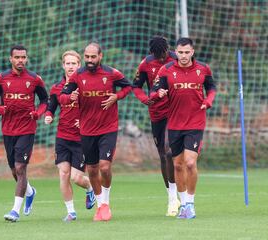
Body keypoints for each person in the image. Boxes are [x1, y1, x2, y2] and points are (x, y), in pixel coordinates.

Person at [60, 42, 132, 221]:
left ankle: (105, 203)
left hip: (108, 128)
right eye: (87, 57)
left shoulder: (111, 73)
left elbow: (129, 87)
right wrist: (70, 97)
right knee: (92, 170)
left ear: (100, 56)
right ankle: (100, 206)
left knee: (105, 166)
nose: (90, 60)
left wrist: (116, 96)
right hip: (87, 130)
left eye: (93, 57)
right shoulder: (78, 75)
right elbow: (62, 95)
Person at [150, 37, 216, 219]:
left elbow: (211, 88)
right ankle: (183, 204)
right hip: (175, 124)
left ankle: (191, 204)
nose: (184, 56)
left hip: (195, 122)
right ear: (176, 52)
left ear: (192, 52)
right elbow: (154, 92)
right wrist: (159, 93)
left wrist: (208, 101)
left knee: (190, 162)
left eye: (187, 52)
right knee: (178, 165)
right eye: (181, 52)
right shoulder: (166, 70)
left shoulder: (203, 69)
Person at [0, 45, 48, 222]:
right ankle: (30, 192)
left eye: (23, 57)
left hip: (27, 129)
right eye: (17, 57)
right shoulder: (1, 78)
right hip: (8, 130)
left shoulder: (34, 79)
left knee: (21, 167)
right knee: (15, 170)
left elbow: (45, 100)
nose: (20, 60)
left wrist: (38, 113)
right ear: (11, 59)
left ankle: (15, 211)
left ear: (27, 58)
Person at [44, 50, 95, 222]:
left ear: (79, 65)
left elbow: (94, 109)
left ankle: (90, 188)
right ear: (63, 65)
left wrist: (85, 122)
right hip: (63, 137)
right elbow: (51, 106)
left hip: (81, 139)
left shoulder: (86, 86)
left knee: (76, 177)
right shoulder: (56, 88)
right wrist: (48, 115)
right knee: (63, 174)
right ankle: (71, 212)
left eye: (74, 63)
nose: (71, 66)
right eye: (68, 63)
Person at [132, 36, 180, 216]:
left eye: (164, 55)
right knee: (163, 155)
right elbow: (136, 86)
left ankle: (174, 198)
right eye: (158, 56)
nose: (161, 59)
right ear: (152, 53)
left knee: (169, 151)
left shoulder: (177, 59)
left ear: (168, 50)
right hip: (157, 113)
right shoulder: (145, 64)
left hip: (175, 112)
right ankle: (172, 195)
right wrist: (146, 99)